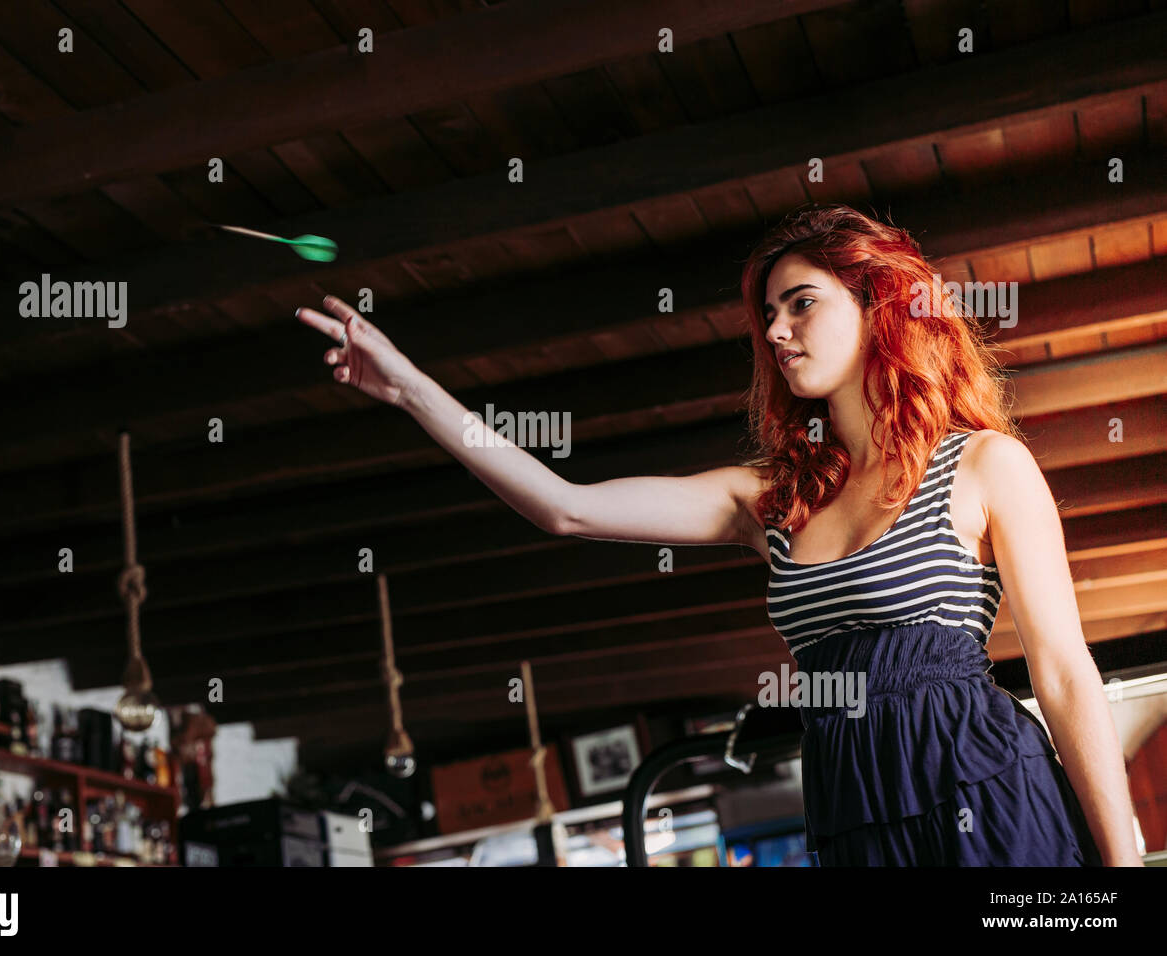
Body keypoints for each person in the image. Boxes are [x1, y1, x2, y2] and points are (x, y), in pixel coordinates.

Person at [297, 202, 1143, 867]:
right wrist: (410, 390)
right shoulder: (768, 499)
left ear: (878, 303)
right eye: (769, 315)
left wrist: (1124, 863)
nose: (775, 332)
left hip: (988, 790)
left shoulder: (985, 465)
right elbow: (566, 505)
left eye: (800, 304)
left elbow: (1064, 674)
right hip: (853, 809)